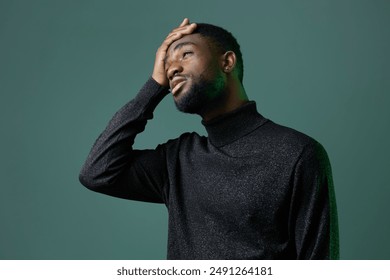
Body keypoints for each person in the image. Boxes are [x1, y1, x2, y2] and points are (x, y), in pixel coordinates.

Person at [79, 18, 339, 259]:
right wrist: (154, 85)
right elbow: (98, 172)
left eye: (186, 54)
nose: (173, 69)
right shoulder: (178, 161)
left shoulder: (296, 153)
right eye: (167, 65)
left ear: (227, 62)